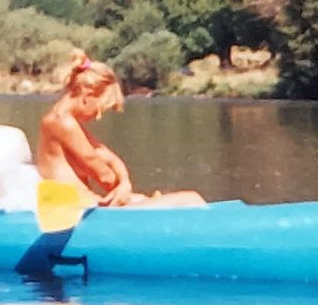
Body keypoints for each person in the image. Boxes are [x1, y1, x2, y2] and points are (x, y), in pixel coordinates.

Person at [36, 53, 205, 209]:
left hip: (89, 205)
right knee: (191, 199)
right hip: (78, 210)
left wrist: (125, 184)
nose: (99, 115)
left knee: (151, 200)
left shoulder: (65, 121)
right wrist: (124, 193)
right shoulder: (61, 122)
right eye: (100, 107)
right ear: (87, 94)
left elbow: (110, 158)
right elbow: (103, 176)